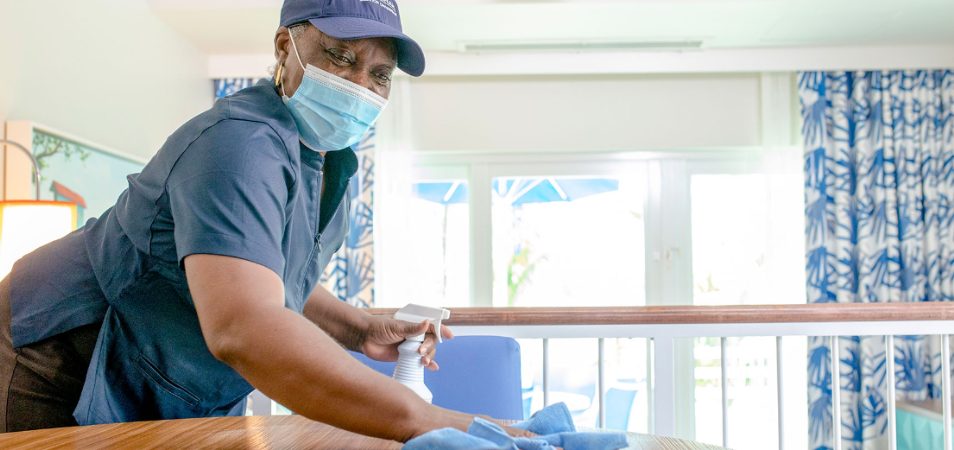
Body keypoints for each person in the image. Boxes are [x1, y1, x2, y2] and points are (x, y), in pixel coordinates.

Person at [0, 0, 490, 442]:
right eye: (342, 56)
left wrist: (360, 329)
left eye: (380, 74)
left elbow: (264, 272)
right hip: (56, 352)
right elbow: (246, 325)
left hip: (167, 373)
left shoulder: (326, 160)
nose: (359, 84)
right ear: (286, 47)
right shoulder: (239, 144)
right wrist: (443, 424)